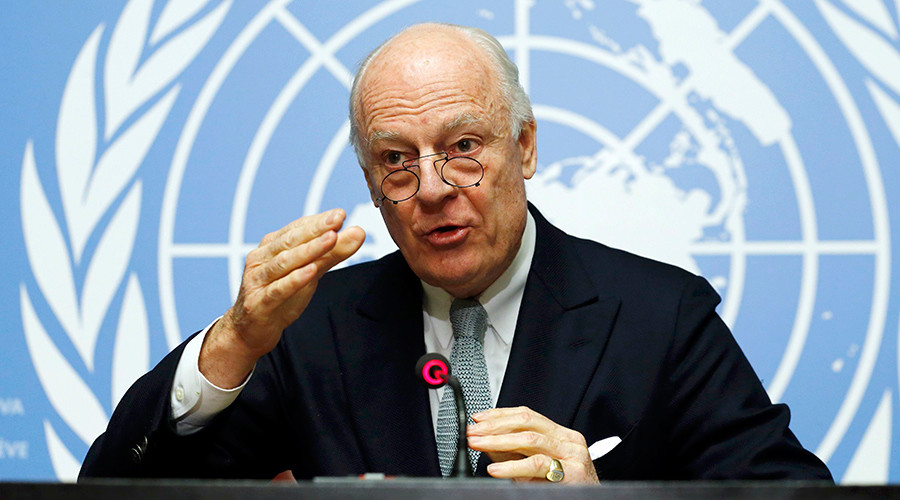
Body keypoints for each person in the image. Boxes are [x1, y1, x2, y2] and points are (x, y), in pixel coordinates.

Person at [80, 23, 832, 483]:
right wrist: (236, 342)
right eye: (396, 160)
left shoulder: (661, 316)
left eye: (464, 148)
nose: (433, 188)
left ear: (526, 146)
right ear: (372, 184)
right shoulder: (309, 332)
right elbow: (117, 491)